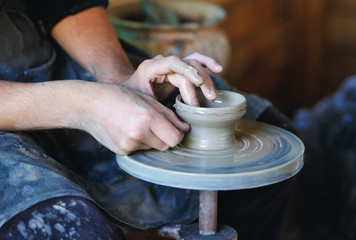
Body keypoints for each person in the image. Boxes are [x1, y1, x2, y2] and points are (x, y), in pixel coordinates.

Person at [0, 0, 300, 239]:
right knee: (72, 227)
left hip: (50, 52)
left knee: (269, 152)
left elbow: (64, 4)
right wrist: (84, 105)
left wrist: (118, 79)